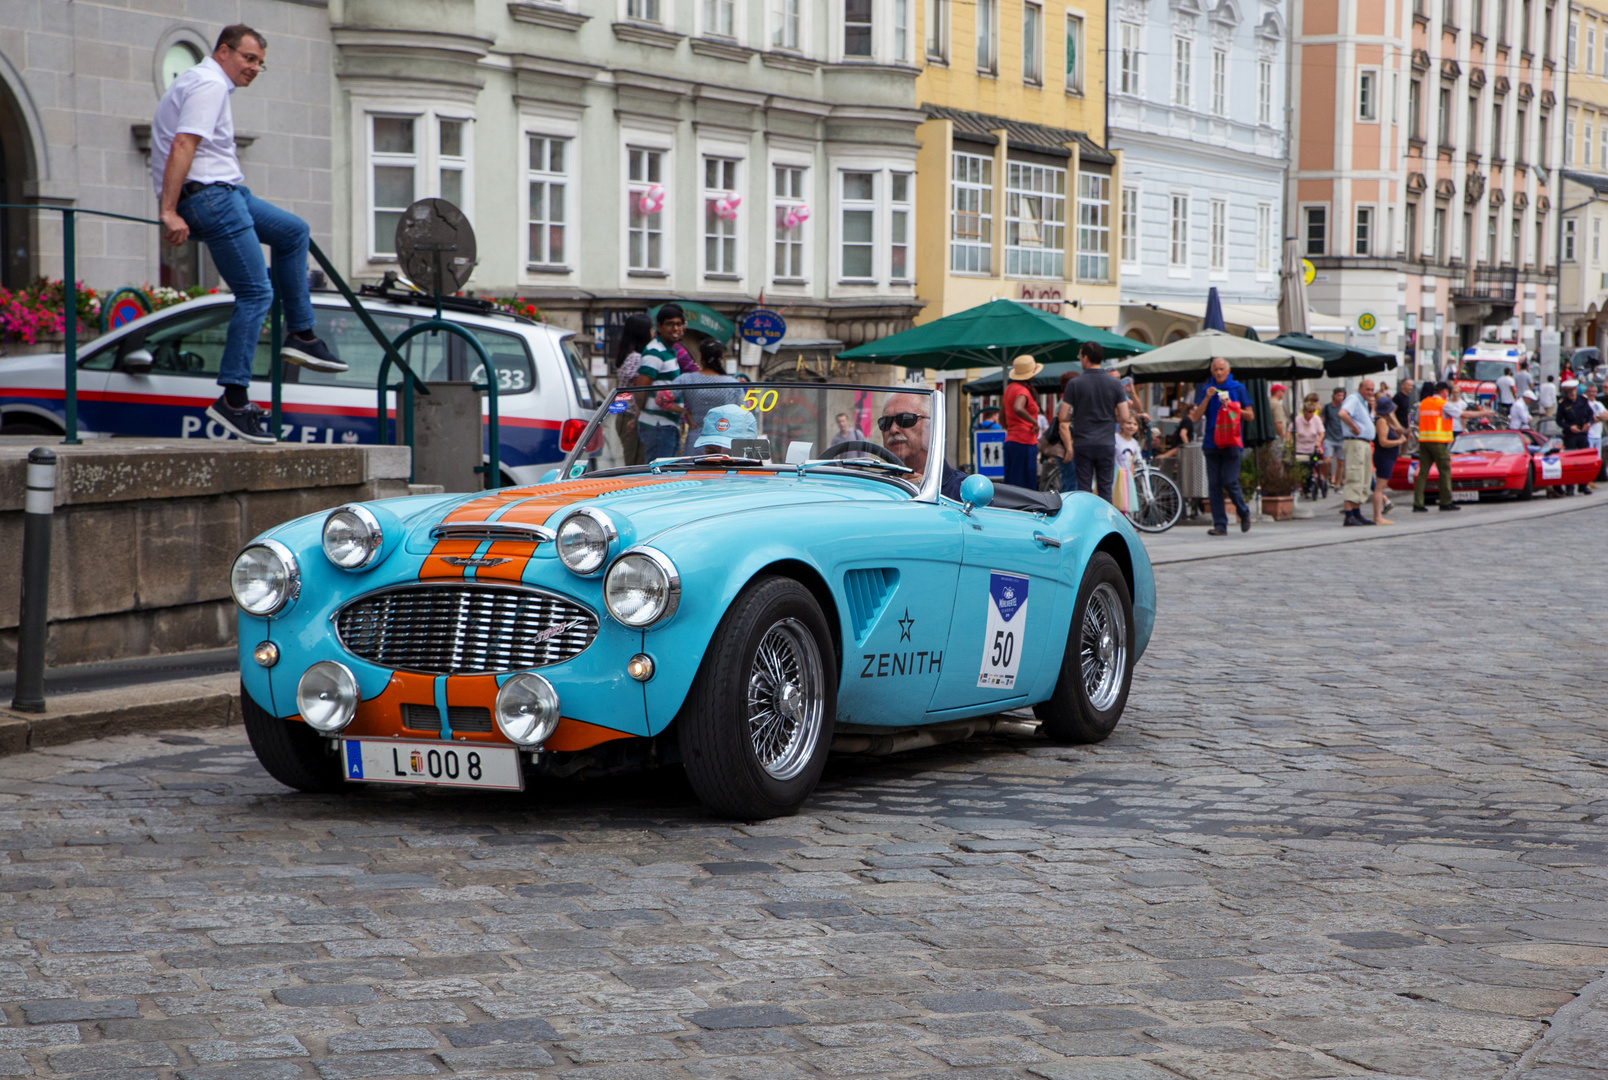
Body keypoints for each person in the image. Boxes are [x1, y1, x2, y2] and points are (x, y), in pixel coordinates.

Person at [153, 24, 346, 444]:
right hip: (209, 198)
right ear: (224, 51)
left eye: (260, 62)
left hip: (228, 192)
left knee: (294, 232)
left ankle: (302, 334)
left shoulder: (204, 82)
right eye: (248, 58)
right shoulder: (208, 85)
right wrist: (168, 210)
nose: (255, 68)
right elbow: (183, 143)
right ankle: (233, 401)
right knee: (256, 292)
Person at [1189, 356, 1254, 534]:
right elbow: (1195, 417)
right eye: (1215, 369)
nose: (1218, 372)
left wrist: (1233, 407)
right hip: (1212, 442)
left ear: (1228, 371)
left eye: (1221, 369)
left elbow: (1250, 415)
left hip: (1232, 442)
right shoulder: (1207, 389)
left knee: (1230, 481)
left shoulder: (1238, 388)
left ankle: (1243, 512)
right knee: (1214, 484)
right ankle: (1220, 525)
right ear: (1212, 371)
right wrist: (1207, 399)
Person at [1061, 342, 1130, 502]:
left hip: (1083, 442)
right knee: (1106, 488)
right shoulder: (1115, 384)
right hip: (1106, 442)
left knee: (1084, 489)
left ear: (1085, 358)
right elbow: (1125, 416)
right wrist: (1110, 416)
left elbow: (1063, 415)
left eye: (1080, 356)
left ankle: (1086, 524)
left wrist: (1078, 412)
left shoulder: (1074, 384)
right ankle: (1106, 523)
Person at [879, 393, 964, 501]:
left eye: (905, 419)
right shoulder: (876, 486)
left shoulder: (964, 492)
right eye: (886, 422)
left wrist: (925, 488)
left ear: (932, 427)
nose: (892, 429)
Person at [635, 305, 692, 461]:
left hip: (667, 425)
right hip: (657, 426)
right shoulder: (655, 352)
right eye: (670, 324)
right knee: (658, 476)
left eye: (679, 324)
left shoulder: (669, 350)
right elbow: (641, 388)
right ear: (659, 327)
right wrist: (640, 413)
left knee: (666, 473)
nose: (676, 328)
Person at [669, 340, 743, 454]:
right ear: (722, 356)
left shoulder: (687, 379)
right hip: (723, 443)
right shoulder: (732, 384)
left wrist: (685, 413)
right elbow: (742, 414)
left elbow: (661, 399)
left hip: (696, 441)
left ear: (700, 356)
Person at [612, 312, 654, 466]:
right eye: (651, 329)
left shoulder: (627, 355)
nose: (653, 333)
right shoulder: (636, 358)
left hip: (625, 415)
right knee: (635, 463)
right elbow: (641, 388)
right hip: (630, 416)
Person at [1001, 355, 1043, 489]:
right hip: (1025, 441)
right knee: (1026, 485)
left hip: (1011, 441)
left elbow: (1002, 415)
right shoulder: (1022, 390)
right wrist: (1034, 423)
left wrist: (1010, 429)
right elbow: (1018, 408)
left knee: (1012, 484)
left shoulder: (1009, 389)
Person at [1339, 379, 1377, 526]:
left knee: (1364, 478)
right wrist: (1354, 427)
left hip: (1364, 444)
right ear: (1360, 388)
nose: (1370, 392)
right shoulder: (1353, 399)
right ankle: (1349, 515)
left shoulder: (1363, 402)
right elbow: (1343, 414)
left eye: (1372, 389)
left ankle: (1357, 513)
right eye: (1368, 389)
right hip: (1355, 443)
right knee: (1354, 476)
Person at [1371, 396, 1406, 526]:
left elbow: (1399, 429)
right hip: (1384, 456)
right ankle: (1378, 516)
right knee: (1380, 487)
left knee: (1381, 486)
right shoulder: (1381, 421)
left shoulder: (1385, 420)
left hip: (1387, 457)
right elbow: (1383, 442)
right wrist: (1399, 441)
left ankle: (1378, 515)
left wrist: (1392, 417)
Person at [1557, 379, 1594, 496]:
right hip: (1571, 435)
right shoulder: (1563, 404)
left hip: (1583, 434)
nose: (1570, 394)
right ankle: (1570, 487)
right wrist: (1569, 427)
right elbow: (1559, 421)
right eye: (1567, 392)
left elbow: (1590, 414)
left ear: (1576, 390)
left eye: (1572, 391)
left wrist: (1588, 423)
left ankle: (1583, 485)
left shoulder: (1583, 401)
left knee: (1585, 461)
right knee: (1571, 463)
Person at [1294, 392, 1326, 487]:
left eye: (1313, 411)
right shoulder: (1297, 419)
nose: (1311, 413)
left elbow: (1322, 432)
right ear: (1304, 411)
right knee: (1299, 466)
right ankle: (1301, 483)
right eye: (1309, 411)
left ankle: (1309, 482)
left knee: (1312, 463)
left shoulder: (1316, 419)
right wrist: (1288, 442)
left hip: (1312, 448)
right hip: (1300, 447)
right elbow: (1290, 431)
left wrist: (1318, 441)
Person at [1320, 387, 1348, 487]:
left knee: (1341, 462)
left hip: (1342, 437)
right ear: (1334, 396)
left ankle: (1337, 484)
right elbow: (1322, 421)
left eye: (1342, 395)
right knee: (1327, 460)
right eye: (1338, 395)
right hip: (1329, 437)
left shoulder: (1346, 407)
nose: (1340, 397)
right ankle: (1326, 480)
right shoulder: (1328, 407)